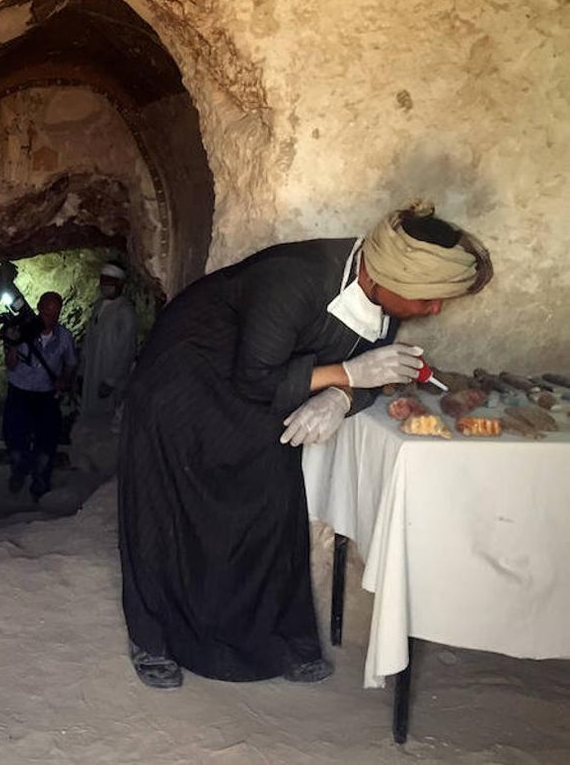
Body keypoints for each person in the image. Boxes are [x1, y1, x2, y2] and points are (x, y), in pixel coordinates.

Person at [118, 202, 491, 689]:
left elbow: (371, 372)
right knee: (165, 512)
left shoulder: (382, 299)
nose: (434, 311)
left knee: (272, 508)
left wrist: (340, 396)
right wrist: (346, 376)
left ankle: (282, 640)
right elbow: (257, 376)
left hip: (259, 398)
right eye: (428, 300)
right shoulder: (294, 280)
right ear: (387, 278)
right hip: (184, 386)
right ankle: (154, 640)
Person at [3, 291, 77, 500]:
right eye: (46, 314)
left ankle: (40, 484)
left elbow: (71, 363)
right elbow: (10, 364)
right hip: (20, 392)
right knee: (15, 438)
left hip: (46, 396)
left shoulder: (64, 336)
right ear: (38, 309)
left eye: (55, 315)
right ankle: (18, 470)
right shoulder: (23, 331)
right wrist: (14, 345)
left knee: (47, 441)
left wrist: (64, 379)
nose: (50, 319)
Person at [78, 262, 138, 420]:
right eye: (103, 282)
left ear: (120, 284)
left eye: (110, 283)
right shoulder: (99, 305)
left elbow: (127, 349)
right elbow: (89, 339)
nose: (105, 286)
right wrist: (82, 371)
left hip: (109, 374)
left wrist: (111, 380)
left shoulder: (125, 310)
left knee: (106, 415)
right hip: (92, 371)